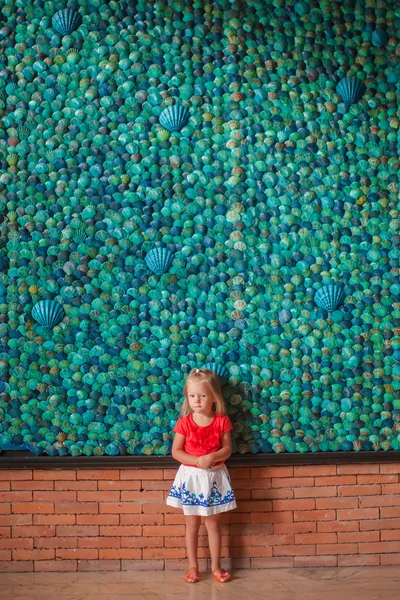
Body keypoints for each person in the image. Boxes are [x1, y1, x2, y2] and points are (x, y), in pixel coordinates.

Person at [166, 367, 237, 584]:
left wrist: (212, 457)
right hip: (191, 477)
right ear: (187, 397)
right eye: (192, 395)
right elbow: (176, 451)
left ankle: (216, 566)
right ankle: (193, 565)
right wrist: (196, 461)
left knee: (213, 524)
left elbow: (227, 449)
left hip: (214, 476)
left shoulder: (221, 421)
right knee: (192, 524)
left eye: (203, 395)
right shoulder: (184, 422)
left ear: (214, 397)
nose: (197, 400)